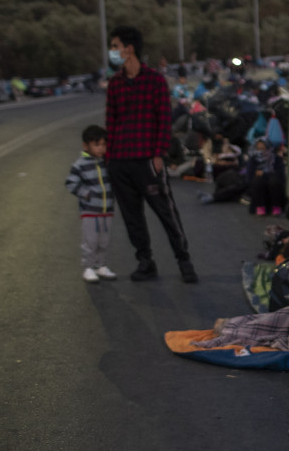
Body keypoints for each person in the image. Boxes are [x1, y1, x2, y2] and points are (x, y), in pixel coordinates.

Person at [105, 25, 197, 283]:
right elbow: (110, 122)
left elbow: (164, 121)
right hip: (121, 162)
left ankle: (184, 260)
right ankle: (145, 262)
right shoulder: (115, 84)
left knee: (166, 212)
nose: (112, 51)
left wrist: (159, 155)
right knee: (132, 217)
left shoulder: (155, 80)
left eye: (115, 46)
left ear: (129, 48)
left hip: (147, 161)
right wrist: (109, 160)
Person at [64, 125, 116, 283]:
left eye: (104, 145)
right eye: (97, 145)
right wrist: (87, 195)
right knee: (90, 240)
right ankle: (88, 267)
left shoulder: (105, 163)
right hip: (90, 210)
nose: (101, 148)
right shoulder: (80, 165)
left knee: (103, 240)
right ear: (86, 146)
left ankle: (100, 265)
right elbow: (71, 183)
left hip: (106, 209)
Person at [246, 138, 286, 216]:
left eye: (262, 146)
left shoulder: (276, 159)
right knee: (257, 181)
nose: (260, 148)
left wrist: (264, 173)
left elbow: (280, 173)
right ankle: (260, 206)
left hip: (273, 181)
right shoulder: (253, 159)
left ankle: (276, 206)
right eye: (258, 146)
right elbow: (249, 176)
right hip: (258, 183)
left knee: (274, 181)